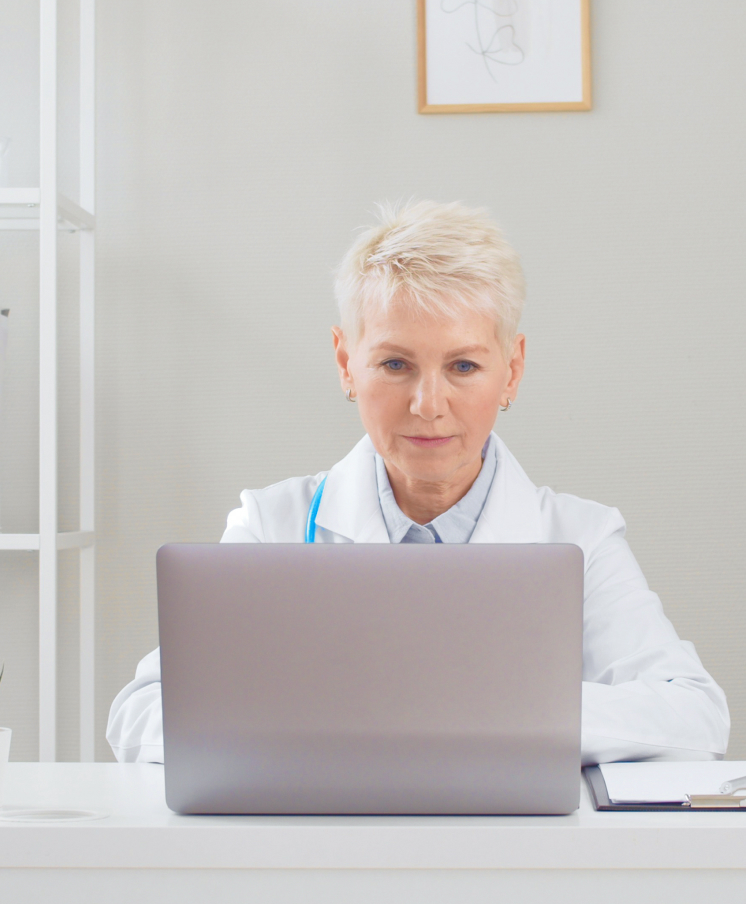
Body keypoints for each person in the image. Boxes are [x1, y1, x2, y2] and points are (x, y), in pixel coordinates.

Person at [107, 200, 729, 766]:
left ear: (511, 371)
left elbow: (695, 718)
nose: (428, 405)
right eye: (395, 364)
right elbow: (141, 714)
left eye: (463, 365)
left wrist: (476, 712)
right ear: (347, 363)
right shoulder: (271, 525)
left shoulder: (581, 539)